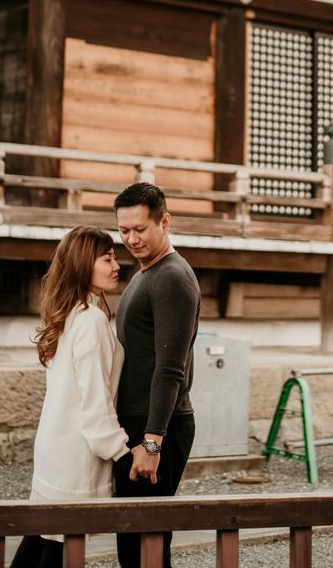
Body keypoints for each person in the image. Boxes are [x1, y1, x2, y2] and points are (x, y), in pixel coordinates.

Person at [11, 226, 135, 568]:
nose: (116, 265)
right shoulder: (91, 320)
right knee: (59, 548)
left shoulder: (67, 313)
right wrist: (123, 452)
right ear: (83, 264)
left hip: (54, 445)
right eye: (107, 258)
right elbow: (95, 400)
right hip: (77, 452)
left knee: (39, 539)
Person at [113, 182, 201, 568]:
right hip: (137, 421)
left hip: (157, 425)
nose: (131, 239)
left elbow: (170, 368)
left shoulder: (172, 276)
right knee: (134, 543)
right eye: (123, 230)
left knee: (144, 548)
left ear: (164, 222)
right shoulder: (144, 273)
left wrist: (152, 444)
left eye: (140, 229)